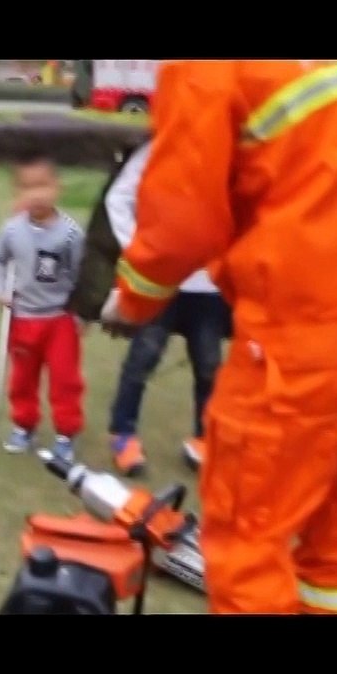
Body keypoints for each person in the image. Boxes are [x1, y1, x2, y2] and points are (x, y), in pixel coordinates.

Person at [102, 60, 337, 614]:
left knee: (247, 542)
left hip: (302, 336)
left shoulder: (205, 68)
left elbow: (182, 220)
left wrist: (132, 299)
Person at [100, 139, 232, 476]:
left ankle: (206, 438)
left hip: (209, 286)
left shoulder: (230, 147)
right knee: (144, 356)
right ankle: (123, 434)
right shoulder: (160, 146)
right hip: (161, 283)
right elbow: (119, 198)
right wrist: (145, 252)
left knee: (209, 364)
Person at [0, 153, 87, 461]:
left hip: (59, 319)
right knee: (22, 377)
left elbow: (82, 273)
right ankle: (24, 425)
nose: (37, 194)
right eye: (28, 188)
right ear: (18, 193)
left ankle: (65, 435)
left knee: (65, 379)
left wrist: (82, 314)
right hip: (23, 318)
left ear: (57, 187)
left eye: (43, 185)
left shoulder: (71, 233)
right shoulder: (12, 230)